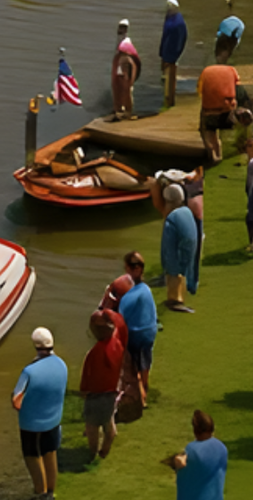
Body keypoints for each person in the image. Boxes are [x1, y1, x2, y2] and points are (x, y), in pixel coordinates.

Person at [11, 325, 67, 500]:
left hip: (31, 423)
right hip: (54, 419)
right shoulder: (61, 364)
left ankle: (40, 493)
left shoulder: (30, 371)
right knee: (50, 452)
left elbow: (16, 399)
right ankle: (51, 490)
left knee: (33, 456)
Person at [80, 305, 127, 461]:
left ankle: (92, 453)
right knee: (108, 421)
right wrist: (108, 314)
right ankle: (106, 447)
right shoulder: (117, 345)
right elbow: (120, 323)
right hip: (112, 392)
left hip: (95, 396)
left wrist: (84, 391)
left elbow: (87, 378)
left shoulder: (94, 353)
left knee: (92, 427)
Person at [118, 255, 159, 400]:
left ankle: (141, 396)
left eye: (126, 268)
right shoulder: (146, 290)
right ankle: (145, 387)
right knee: (146, 359)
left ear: (134, 269)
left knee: (133, 364)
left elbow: (121, 317)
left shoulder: (129, 295)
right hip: (150, 331)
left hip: (135, 333)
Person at [159, 183, 201, 310]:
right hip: (189, 252)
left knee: (173, 276)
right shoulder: (186, 212)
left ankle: (175, 301)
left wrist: (166, 263)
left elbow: (168, 244)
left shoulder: (172, 218)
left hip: (178, 256)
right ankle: (181, 295)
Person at [197, 53, 241, 164]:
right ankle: (222, 152)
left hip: (210, 109)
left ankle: (212, 152)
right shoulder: (232, 70)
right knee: (225, 128)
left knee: (207, 130)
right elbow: (238, 85)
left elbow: (200, 89)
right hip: (227, 107)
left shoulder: (206, 71)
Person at [158, 0, 187, 108]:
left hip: (172, 51)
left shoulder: (178, 23)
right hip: (166, 48)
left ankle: (169, 99)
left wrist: (176, 54)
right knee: (165, 71)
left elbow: (182, 37)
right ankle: (164, 88)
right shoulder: (169, 17)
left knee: (171, 73)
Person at [110, 20, 142, 118]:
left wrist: (127, 72)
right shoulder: (120, 41)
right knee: (117, 88)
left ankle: (128, 111)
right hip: (120, 66)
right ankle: (120, 109)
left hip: (125, 67)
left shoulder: (126, 44)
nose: (121, 30)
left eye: (123, 28)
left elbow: (130, 59)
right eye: (120, 27)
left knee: (127, 89)